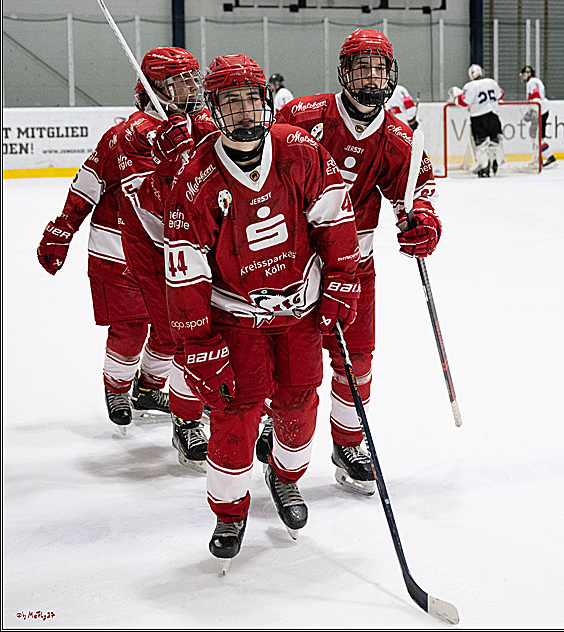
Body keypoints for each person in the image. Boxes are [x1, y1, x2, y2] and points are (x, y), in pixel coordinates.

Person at [164, 53, 361, 568]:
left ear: (266, 102)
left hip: (299, 311)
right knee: (236, 412)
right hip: (237, 319)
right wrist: (198, 344)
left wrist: (342, 280)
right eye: (232, 102)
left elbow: (334, 220)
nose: (246, 112)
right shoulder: (196, 179)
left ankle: (285, 477)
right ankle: (229, 512)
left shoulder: (300, 150)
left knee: (298, 403)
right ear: (213, 109)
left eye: (252, 100)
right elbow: (185, 272)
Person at [274, 29, 440, 496]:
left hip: (354, 264)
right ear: (344, 72)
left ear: (391, 75)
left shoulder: (397, 137)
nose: (372, 75)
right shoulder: (303, 117)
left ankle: (348, 444)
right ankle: (276, 425)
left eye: (380, 67)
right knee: (286, 362)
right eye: (362, 66)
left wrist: (421, 220)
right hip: (289, 263)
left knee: (356, 361)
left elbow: (418, 189)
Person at [114, 47, 218, 469]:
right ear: (157, 87)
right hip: (156, 250)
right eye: (184, 81)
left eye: (195, 78)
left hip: (201, 244)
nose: (194, 87)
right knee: (184, 337)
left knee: (216, 331)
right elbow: (146, 200)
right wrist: (174, 161)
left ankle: (177, 391)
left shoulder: (197, 120)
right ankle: (184, 421)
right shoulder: (136, 131)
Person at [36, 108, 163, 434]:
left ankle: (149, 388)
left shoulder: (199, 132)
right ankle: (117, 389)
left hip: (172, 251)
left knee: (171, 332)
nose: (186, 91)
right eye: (174, 83)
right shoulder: (117, 139)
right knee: (131, 328)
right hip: (116, 249)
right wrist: (61, 230)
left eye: (189, 83)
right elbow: (85, 186)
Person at [450, 64, 504, 178]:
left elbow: (465, 102)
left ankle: (484, 167)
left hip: (478, 117)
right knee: (494, 142)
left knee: (481, 145)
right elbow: (500, 94)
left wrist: (456, 99)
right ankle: (494, 162)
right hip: (494, 115)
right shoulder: (491, 82)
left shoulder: (470, 86)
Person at [520, 65, 556, 168]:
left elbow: (536, 97)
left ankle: (549, 158)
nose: (522, 77)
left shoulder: (532, 82)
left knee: (537, 137)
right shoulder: (535, 81)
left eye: (523, 74)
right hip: (541, 110)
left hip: (540, 111)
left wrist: (533, 111)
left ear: (528, 74)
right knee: (537, 137)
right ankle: (539, 157)